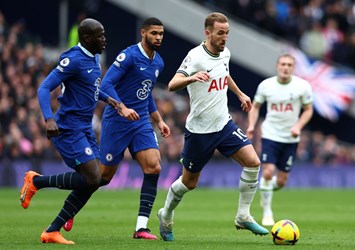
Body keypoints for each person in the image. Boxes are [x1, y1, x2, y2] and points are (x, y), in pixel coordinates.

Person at [157, 12, 269, 242]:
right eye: (220, 33)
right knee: (189, 183)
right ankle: (166, 214)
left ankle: (243, 216)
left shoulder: (225, 52)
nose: (225, 37)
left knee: (253, 162)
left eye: (227, 33)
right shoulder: (195, 56)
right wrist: (191, 77)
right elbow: (171, 84)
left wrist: (239, 94)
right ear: (207, 33)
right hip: (200, 132)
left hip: (224, 124)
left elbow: (224, 74)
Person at [19, 18, 121, 244]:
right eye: (100, 36)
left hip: (85, 127)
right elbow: (44, 87)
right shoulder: (73, 59)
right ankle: (36, 182)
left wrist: (111, 100)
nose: (104, 40)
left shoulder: (93, 57)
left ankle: (52, 230)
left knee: (99, 179)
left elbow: (90, 89)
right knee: (92, 178)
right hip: (68, 127)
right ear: (86, 38)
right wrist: (49, 119)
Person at [98, 17, 170, 239]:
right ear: (143, 33)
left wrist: (158, 120)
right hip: (117, 121)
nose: (158, 37)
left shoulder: (158, 62)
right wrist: (122, 108)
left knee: (154, 166)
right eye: (154, 33)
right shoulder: (128, 56)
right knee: (101, 178)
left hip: (140, 122)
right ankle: (47, 187)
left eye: (161, 34)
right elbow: (105, 85)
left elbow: (146, 93)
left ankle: (141, 227)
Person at [246, 53, 313, 226]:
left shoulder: (302, 86)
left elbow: (308, 110)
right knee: (268, 172)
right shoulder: (266, 85)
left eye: (289, 65)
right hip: (270, 134)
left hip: (290, 138)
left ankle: (265, 189)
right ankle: (267, 211)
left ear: (293, 68)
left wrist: (298, 126)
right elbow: (255, 106)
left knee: (281, 181)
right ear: (277, 66)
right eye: (283, 64)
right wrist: (252, 126)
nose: (285, 67)